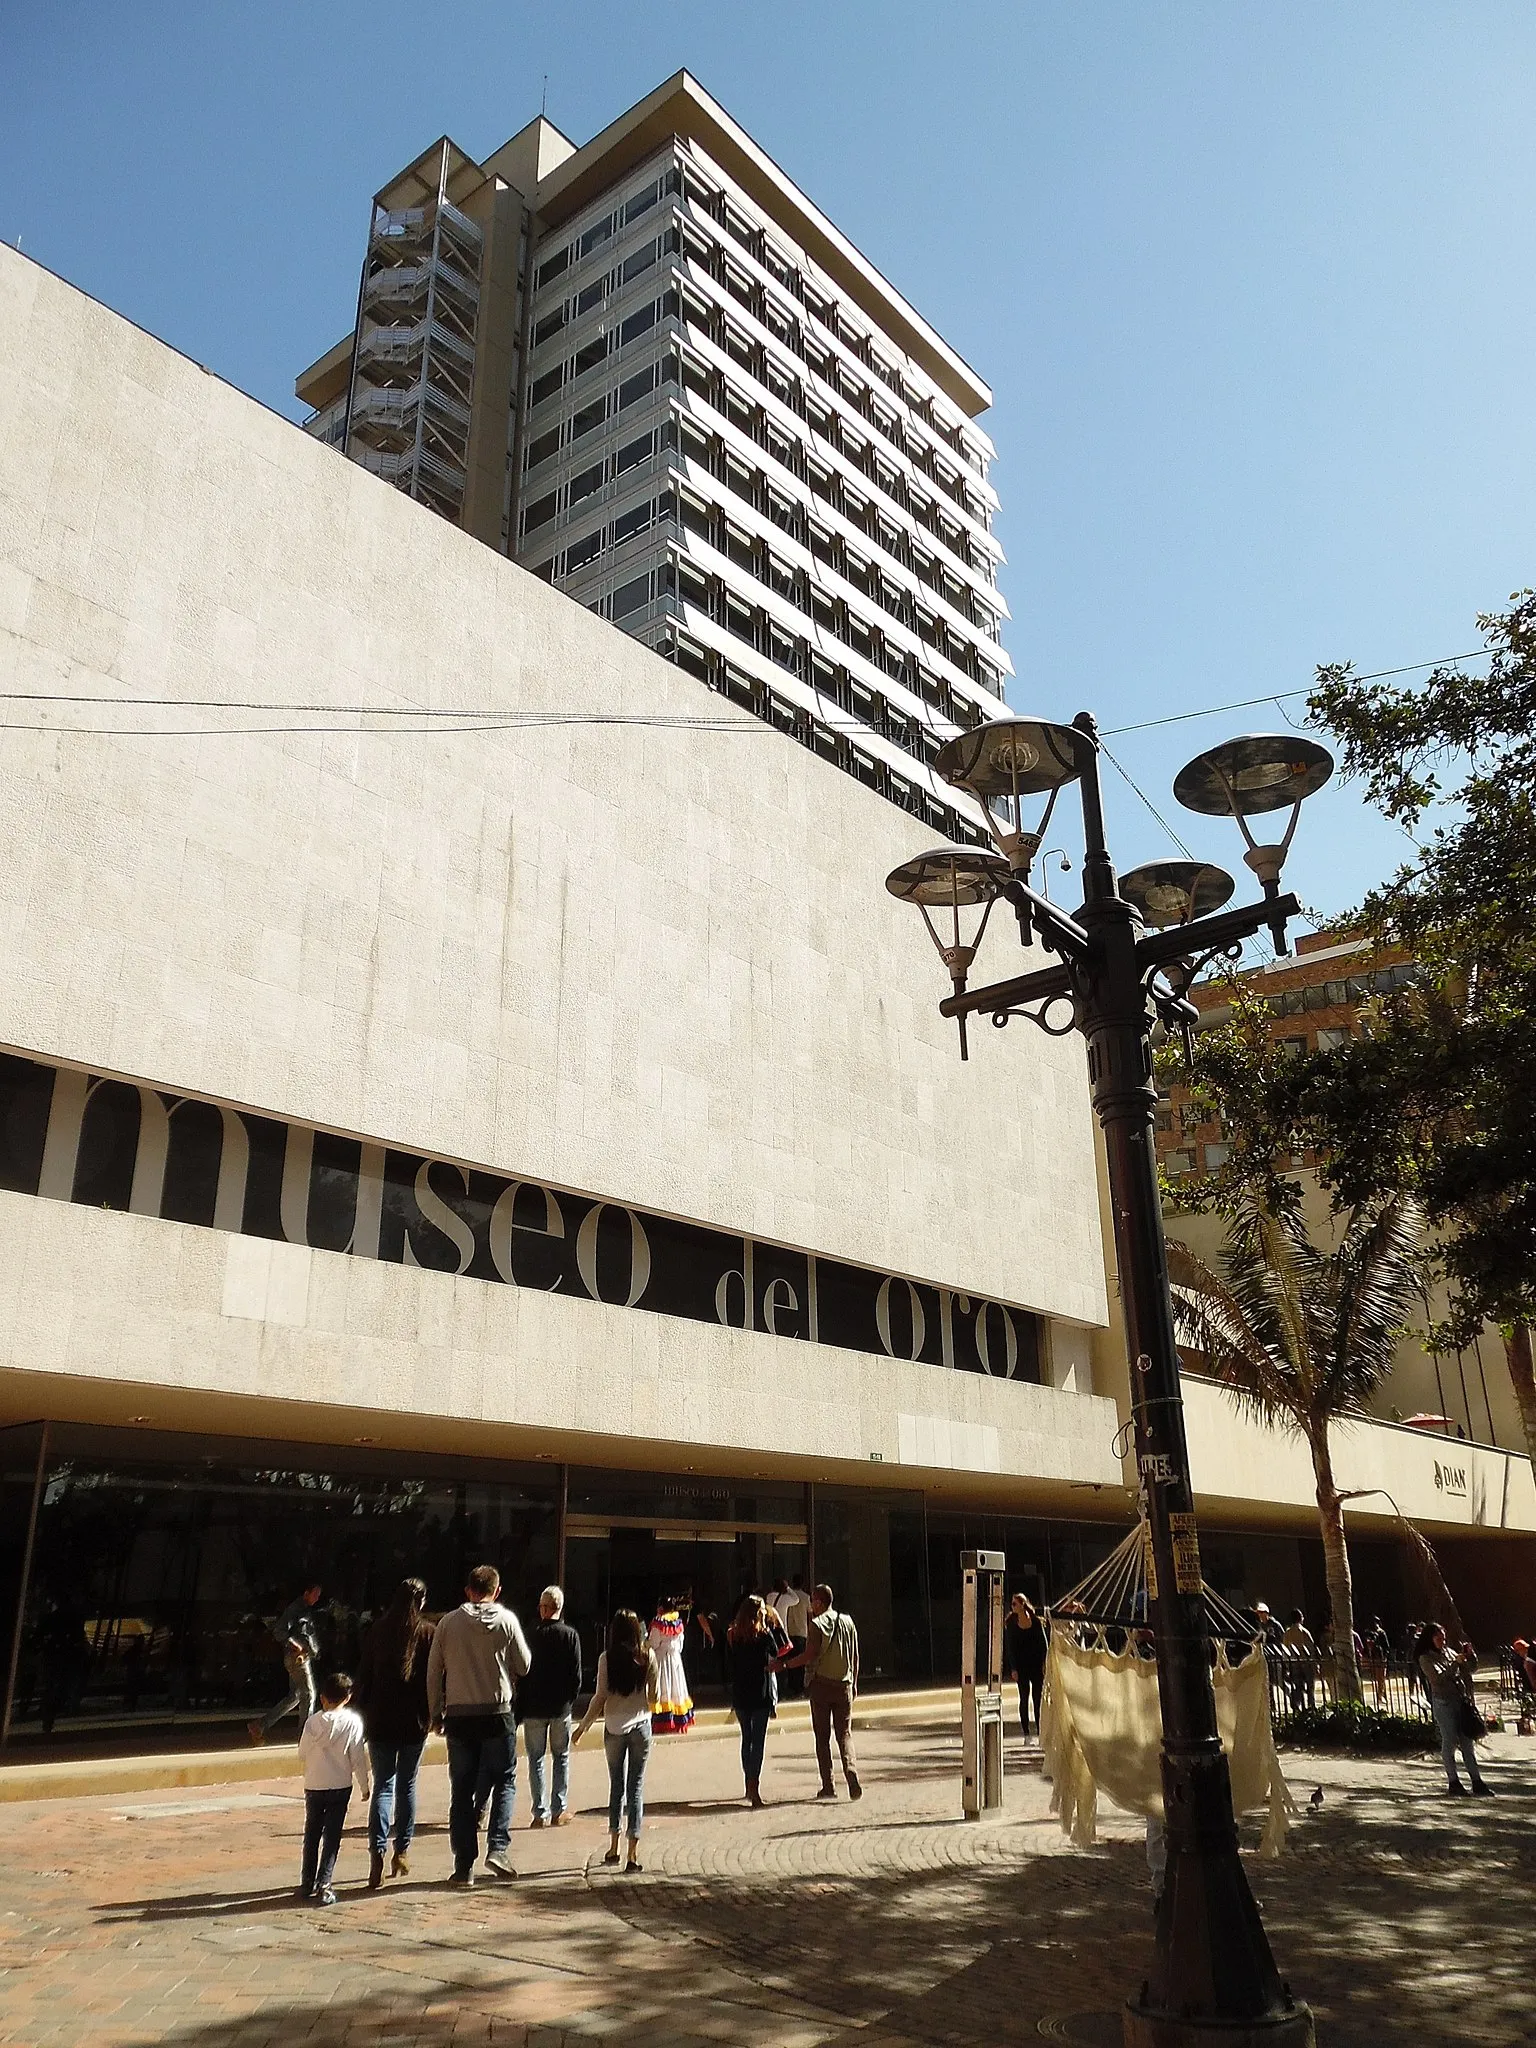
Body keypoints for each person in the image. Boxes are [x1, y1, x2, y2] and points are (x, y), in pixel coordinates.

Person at [426, 1564, 532, 1886]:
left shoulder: (447, 1623)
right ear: (496, 1591)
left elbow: (433, 1672)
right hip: (497, 1712)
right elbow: (525, 1665)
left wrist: (435, 1713)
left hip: (459, 1715)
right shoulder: (507, 1620)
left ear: (468, 1590)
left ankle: (463, 1866)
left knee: (461, 1789)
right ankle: (497, 1846)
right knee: (504, 1780)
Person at [355, 1576, 435, 1888]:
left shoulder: (378, 1629)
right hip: (414, 1721)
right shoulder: (427, 1632)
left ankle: (376, 1851)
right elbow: (432, 1678)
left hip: (380, 1719)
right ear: (422, 1601)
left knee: (382, 1787)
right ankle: (402, 1850)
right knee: (407, 1786)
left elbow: (364, 1674)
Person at [574, 1609, 658, 1872]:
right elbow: (655, 1695)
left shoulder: (605, 1659)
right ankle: (633, 1853)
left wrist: (582, 1727)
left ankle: (613, 1846)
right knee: (636, 1788)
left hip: (613, 1726)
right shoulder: (647, 1656)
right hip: (641, 1725)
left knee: (616, 1787)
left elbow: (599, 1697)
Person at [777, 1583, 861, 1801]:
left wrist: (786, 1665)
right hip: (844, 1685)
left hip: (822, 1686)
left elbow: (810, 1654)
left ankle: (829, 1785)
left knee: (822, 1737)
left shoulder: (817, 1624)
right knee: (844, 1734)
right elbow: (855, 1656)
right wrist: (854, 1684)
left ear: (820, 1602)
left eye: (813, 1600)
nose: (811, 1605)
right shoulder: (848, 1622)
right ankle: (851, 1771)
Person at [297, 1671, 371, 1906]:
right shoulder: (353, 1722)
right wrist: (364, 1785)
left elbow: (301, 1753)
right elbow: (357, 1757)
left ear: (322, 1697)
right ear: (347, 1697)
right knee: (332, 1836)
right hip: (340, 1784)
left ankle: (306, 1880)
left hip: (314, 1784)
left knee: (311, 1833)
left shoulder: (311, 1722)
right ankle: (324, 1881)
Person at [521, 1585, 582, 1828]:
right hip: (560, 1708)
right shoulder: (570, 1635)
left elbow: (521, 1669)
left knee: (535, 1759)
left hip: (534, 1707)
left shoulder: (530, 1634)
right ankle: (559, 1809)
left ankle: (539, 1812)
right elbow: (576, 1676)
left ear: (544, 1608)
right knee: (561, 1757)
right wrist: (569, 1699)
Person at [1414, 1621, 1491, 1797]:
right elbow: (1438, 1679)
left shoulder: (1449, 1652)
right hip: (1444, 1703)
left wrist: (1470, 1657)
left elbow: (1470, 1669)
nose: (1442, 1640)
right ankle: (1453, 1781)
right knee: (1449, 1740)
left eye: (1443, 1637)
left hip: (1460, 1702)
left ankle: (1477, 1781)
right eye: (1438, 1637)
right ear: (1430, 1638)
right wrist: (1455, 1664)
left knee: (1467, 1742)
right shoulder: (1425, 1658)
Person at [250, 1581, 323, 1744]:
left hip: (301, 1657)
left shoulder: (304, 1610)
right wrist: (297, 1646)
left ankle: (260, 1725)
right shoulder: (295, 1609)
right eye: (315, 1594)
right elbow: (279, 1630)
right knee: (309, 1694)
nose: (317, 1598)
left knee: (295, 1696)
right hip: (298, 1658)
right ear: (306, 1593)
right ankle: (305, 1736)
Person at [728, 1595, 779, 1808]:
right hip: (759, 1691)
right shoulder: (764, 1635)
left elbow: (728, 1662)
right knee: (758, 1740)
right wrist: (774, 1624)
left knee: (746, 1738)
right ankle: (754, 1786)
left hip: (740, 1691)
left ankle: (747, 1783)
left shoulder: (733, 1635)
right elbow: (778, 1651)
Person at [1003, 1593, 1048, 1739]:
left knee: (1037, 1698)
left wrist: (1044, 1663)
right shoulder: (1011, 1623)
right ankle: (1026, 1730)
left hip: (1035, 1665)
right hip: (1021, 1666)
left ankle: (1040, 1728)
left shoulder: (1035, 1622)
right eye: (1012, 1604)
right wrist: (1013, 1668)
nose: (1012, 1606)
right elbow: (1010, 1648)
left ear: (1023, 1604)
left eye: (1015, 1604)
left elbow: (1044, 1644)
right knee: (1024, 1697)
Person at [648, 1597, 694, 1734]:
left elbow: (654, 1643)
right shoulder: (678, 1623)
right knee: (677, 1688)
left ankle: (663, 1721)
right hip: (675, 1659)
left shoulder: (658, 1623)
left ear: (661, 1608)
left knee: (663, 1688)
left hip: (662, 1659)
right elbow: (680, 1645)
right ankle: (678, 1720)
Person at [1281, 1610, 1317, 1712]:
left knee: (1297, 1686)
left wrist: (1287, 1664)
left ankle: (1297, 1705)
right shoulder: (1305, 1632)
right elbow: (1311, 1648)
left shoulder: (1287, 1633)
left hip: (1294, 1663)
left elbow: (1285, 1649)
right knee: (1310, 1687)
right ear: (1300, 1618)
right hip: (1306, 1662)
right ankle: (1311, 1707)